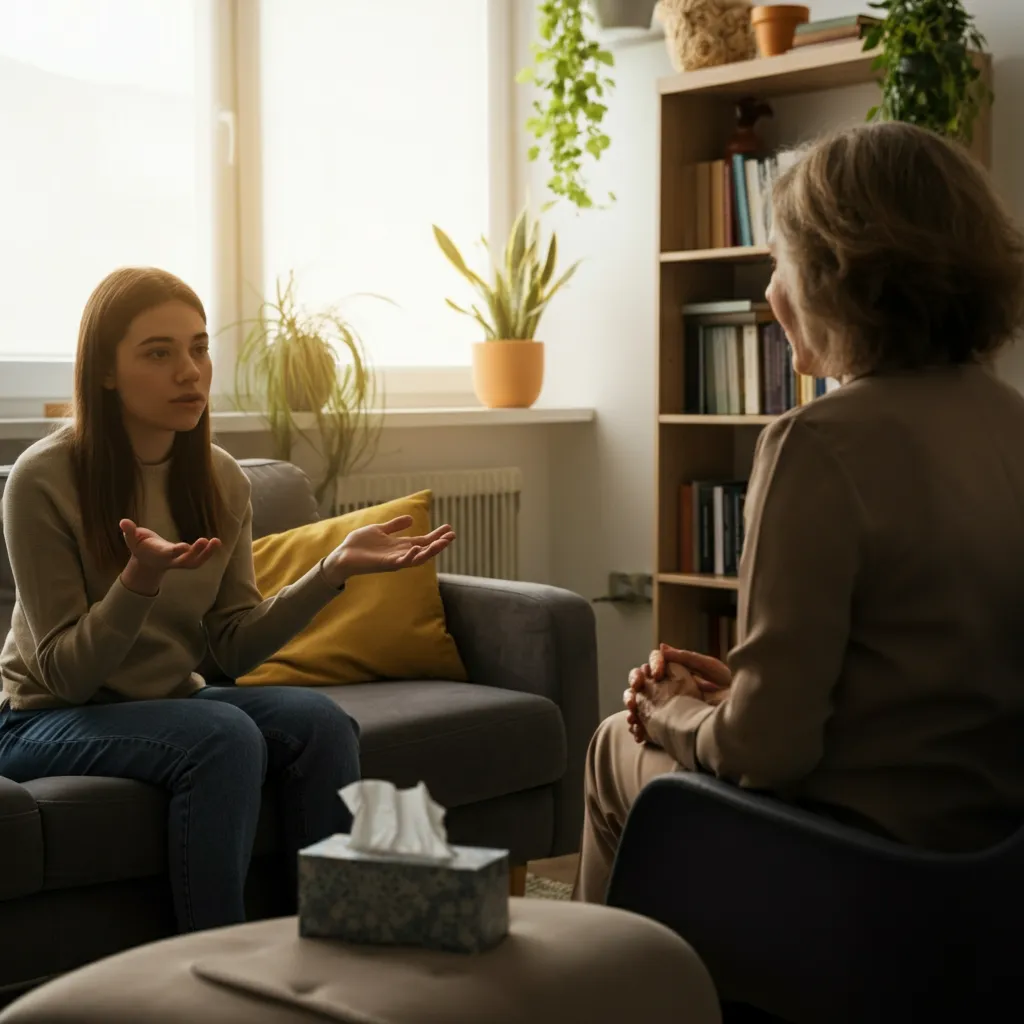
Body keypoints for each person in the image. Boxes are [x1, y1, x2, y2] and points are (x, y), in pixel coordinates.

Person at [576, 120, 1024, 902]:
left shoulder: (815, 443)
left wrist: (674, 712)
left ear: (835, 275)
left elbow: (765, 754)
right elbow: (927, 681)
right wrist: (733, 694)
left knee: (616, 744)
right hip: (991, 872)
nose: (768, 293)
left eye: (778, 262)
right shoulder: (1011, 422)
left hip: (862, 872)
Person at [0, 267, 455, 932]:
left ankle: (341, 937)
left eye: (199, 348)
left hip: (166, 701)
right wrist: (138, 583)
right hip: (40, 718)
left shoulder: (220, 477)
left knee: (323, 723)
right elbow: (68, 674)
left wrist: (329, 573)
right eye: (159, 353)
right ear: (104, 371)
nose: (190, 371)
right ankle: (213, 961)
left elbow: (233, 646)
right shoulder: (43, 479)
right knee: (223, 736)